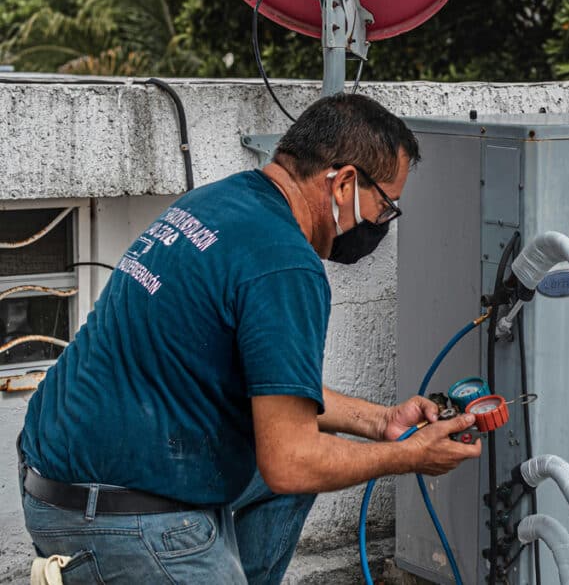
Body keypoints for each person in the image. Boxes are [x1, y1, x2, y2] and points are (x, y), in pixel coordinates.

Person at [17, 93, 481, 583]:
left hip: (54, 474)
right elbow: (291, 461)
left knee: (303, 452)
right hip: (117, 515)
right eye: (385, 206)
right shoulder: (285, 263)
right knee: (301, 462)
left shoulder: (218, 202)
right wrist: (410, 455)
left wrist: (384, 421)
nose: (382, 224)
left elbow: (277, 391)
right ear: (343, 183)